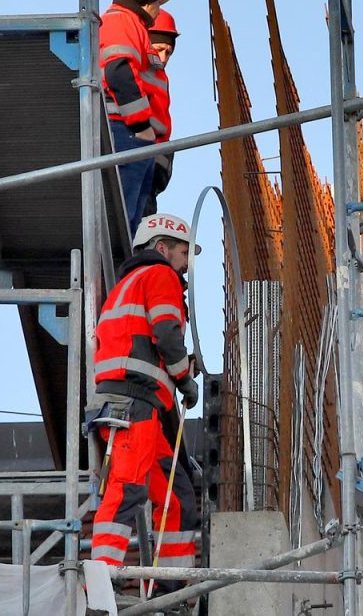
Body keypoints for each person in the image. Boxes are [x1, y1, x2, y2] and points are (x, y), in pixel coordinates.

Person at [90, 213, 201, 587]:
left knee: (177, 497)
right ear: (161, 247)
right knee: (126, 489)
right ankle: (100, 582)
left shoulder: (126, 286)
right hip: (132, 406)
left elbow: (143, 341)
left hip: (135, 407)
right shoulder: (159, 275)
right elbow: (166, 332)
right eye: (183, 253)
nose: (186, 263)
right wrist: (184, 376)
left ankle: (169, 587)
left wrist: (177, 370)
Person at [100, 0, 172, 236]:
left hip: (137, 139)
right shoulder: (122, 21)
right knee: (123, 224)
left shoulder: (132, 26)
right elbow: (119, 72)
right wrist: (142, 127)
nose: (158, 9)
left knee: (132, 226)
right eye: (158, 0)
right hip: (128, 133)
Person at [143, 9, 180, 218]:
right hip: (138, 155)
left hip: (154, 165)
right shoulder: (135, 69)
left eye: (169, 52)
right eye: (159, 49)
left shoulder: (161, 77)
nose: (164, 57)